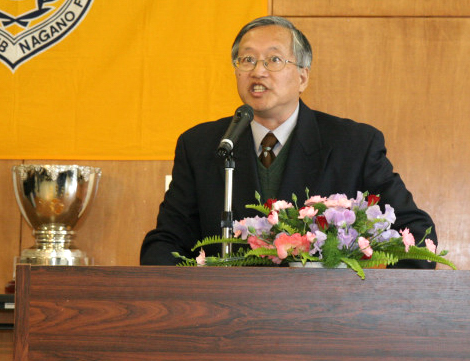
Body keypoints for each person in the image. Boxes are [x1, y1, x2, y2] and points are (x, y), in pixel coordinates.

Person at [140, 16, 437, 268]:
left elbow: (417, 234)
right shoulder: (202, 145)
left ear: (303, 77)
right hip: (224, 312)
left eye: (274, 60)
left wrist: (376, 301)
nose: (258, 71)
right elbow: (166, 241)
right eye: (247, 60)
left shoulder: (354, 145)